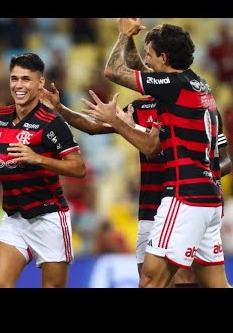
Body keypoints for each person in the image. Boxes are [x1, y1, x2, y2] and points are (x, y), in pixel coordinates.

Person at [97, 18, 230, 288]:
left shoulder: (172, 86)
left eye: (151, 55)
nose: (147, 60)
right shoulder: (197, 85)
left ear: (164, 57)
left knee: (150, 278)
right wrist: (135, 38)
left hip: (185, 196)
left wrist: (122, 35)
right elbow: (141, 68)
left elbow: (113, 71)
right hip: (209, 199)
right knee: (216, 284)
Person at [0, 53, 86, 288]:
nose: (19, 86)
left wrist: (38, 158)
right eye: (14, 79)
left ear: (40, 83)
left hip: (49, 217)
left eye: (26, 79)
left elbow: (79, 168)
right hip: (14, 218)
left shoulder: (52, 122)